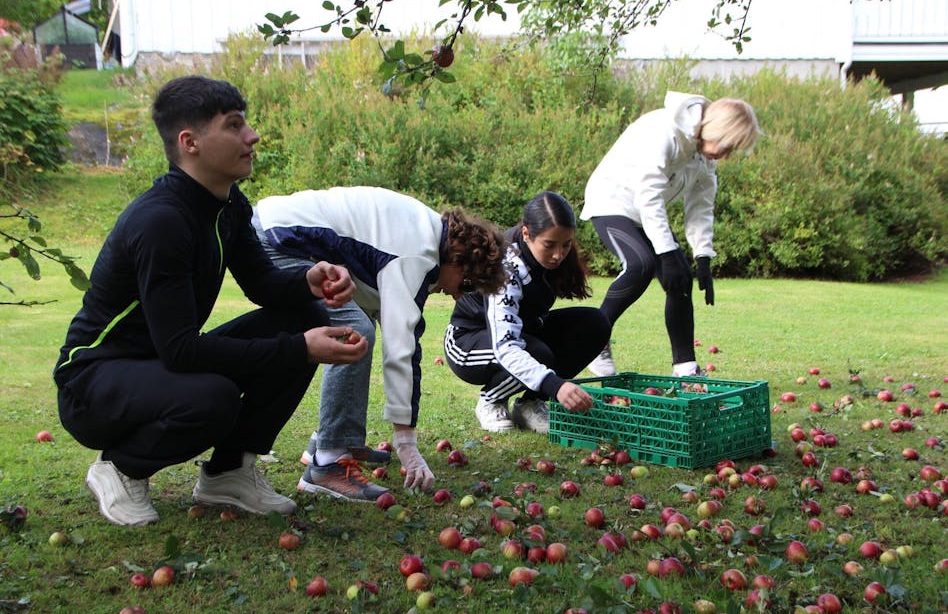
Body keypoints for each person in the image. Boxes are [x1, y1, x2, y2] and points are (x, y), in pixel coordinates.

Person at [53, 76, 368, 527]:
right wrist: (300, 349)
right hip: (93, 382)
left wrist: (309, 279)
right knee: (213, 399)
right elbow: (181, 351)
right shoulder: (161, 222)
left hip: (158, 367)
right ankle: (121, 468)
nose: (252, 136)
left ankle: (228, 472)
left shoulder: (227, 205)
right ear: (191, 142)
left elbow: (263, 285)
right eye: (235, 125)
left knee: (301, 315)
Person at [254, 186, 507, 500]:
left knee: (357, 327)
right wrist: (406, 444)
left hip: (278, 228)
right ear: (459, 260)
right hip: (279, 240)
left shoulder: (423, 233)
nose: (458, 295)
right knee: (355, 335)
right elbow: (401, 350)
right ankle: (328, 462)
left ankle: (328, 440)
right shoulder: (418, 254)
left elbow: (401, 327)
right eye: (467, 284)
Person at [581, 91, 761, 378]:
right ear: (715, 129)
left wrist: (703, 256)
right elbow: (648, 195)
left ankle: (686, 368)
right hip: (612, 201)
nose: (726, 156)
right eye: (727, 146)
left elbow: (701, 208)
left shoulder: (704, 156)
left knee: (679, 278)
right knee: (641, 265)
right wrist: (666, 251)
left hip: (644, 212)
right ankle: (592, 340)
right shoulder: (664, 132)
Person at [444, 190, 611, 433]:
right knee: (537, 353)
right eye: (549, 245)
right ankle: (491, 400)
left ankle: (530, 403)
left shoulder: (554, 258)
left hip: (522, 332)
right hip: (467, 342)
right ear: (526, 233)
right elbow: (507, 346)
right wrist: (556, 386)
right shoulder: (507, 268)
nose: (558, 255)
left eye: (566, 245)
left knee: (595, 324)